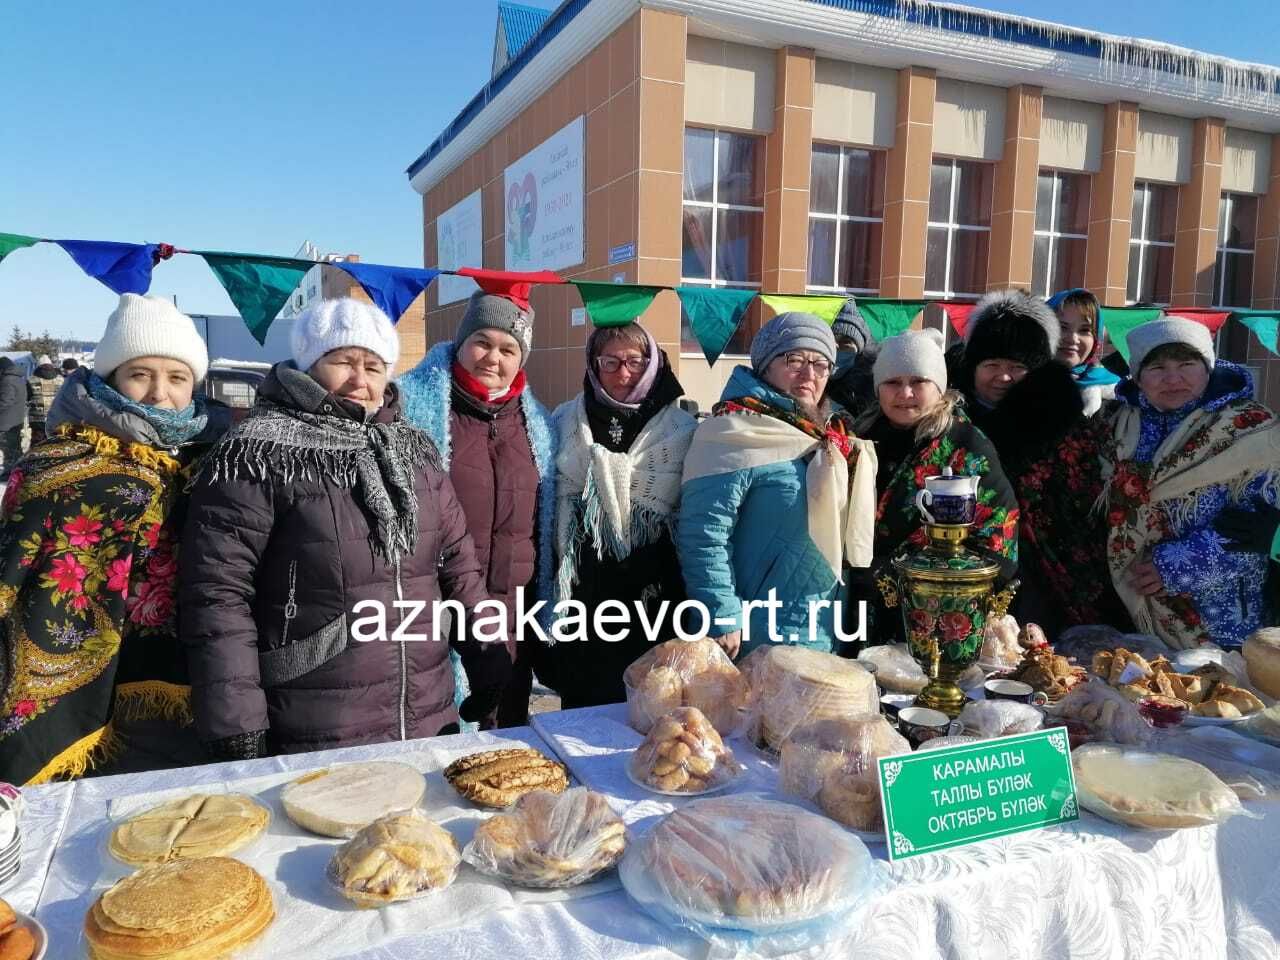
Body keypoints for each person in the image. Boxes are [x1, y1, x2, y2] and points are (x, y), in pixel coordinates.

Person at [180, 298, 510, 760]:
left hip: (426, 711)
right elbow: (218, 594)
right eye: (344, 362)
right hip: (315, 718)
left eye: (374, 366)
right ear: (310, 365)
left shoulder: (413, 449)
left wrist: (486, 651)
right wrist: (235, 719)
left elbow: (459, 566)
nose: (361, 380)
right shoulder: (258, 453)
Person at [0, 294, 222, 785]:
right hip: (80, 690)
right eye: (141, 374)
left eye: (177, 377)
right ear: (112, 377)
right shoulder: (55, 463)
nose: (159, 393)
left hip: (187, 680)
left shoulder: (216, 456)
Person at [677, 312, 877, 661]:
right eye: (794, 360)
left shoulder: (835, 436)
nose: (809, 374)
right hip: (754, 630)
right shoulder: (732, 431)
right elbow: (703, 533)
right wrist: (720, 612)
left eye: (821, 363)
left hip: (823, 624)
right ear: (766, 366)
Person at [398, 288, 556, 727]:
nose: (493, 358)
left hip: (512, 614)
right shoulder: (412, 411)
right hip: (436, 610)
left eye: (508, 349)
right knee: (441, 738)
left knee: (509, 740)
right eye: (482, 342)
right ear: (462, 341)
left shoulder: (539, 424)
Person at [540, 323, 696, 708]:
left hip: (657, 596)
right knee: (582, 714)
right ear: (593, 365)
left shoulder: (683, 429)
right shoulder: (562, 421)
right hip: (584, 594)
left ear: (653, 363)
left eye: (634, 361)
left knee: (657, 711)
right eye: (610, 362)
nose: (623, 373)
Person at [957, 289, 1128, 636]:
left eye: (1016, 367)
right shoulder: (950, 421)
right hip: (962, 578)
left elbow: (1085, 509)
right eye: (991, 365)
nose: (1003, 377)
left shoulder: (1061, 422)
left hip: (1046, 583)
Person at [1101, 317, 1280, 649]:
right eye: (1157, 367)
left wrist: (1174, 565)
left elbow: (1258, 529)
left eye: (1187, 364)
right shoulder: (1116, 426)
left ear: (1207, 368)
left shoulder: (1251, 428)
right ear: (1138, 376)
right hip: (1128, 602)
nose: (1173, 378)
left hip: (1218, 615)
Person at [852, 328, 1018, 644]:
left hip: (939, 620)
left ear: (939, 387)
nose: (905, 393)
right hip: (859, 613)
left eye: (918, 382)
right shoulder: (860, 437)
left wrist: (900, 574)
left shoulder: (965, 446)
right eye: (892, 382)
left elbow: (997, 546)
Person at [1046, 288, 1119, 417]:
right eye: (1062, 327)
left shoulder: (1118, 395)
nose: (1072, 339)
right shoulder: (1014, 384)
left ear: (1096, 339)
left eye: (1085, 330)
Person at [826, 297, 878, 419]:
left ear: (860, 350)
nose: (835, 351)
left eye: (845, 343)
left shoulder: (876, 389)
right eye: (829, 342)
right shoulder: (802, 382)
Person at [26, 353, 64, 445]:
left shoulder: (31, 380)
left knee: (37, 446)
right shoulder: (61, 380)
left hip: (37, 420)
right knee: (55, 446)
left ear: (38, 366)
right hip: (56, 419)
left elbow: (26, 398)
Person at [0, 358, 26, 478]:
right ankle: (19, 470)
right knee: (15, 447)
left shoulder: (7, 380)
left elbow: (5, 401)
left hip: (7, 421)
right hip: (16, 418)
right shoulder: (19, 379)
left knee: (8, 448)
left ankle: (9, 472)